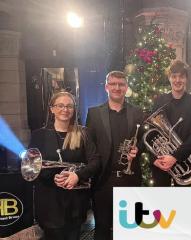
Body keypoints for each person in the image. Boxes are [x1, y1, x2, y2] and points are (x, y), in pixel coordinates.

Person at [29, 91, 101, 240]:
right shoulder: (39, 135)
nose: (65, 109)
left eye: (69, 106)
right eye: (60, 105)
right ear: (52, 109)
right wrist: (53, 177)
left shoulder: (83, 133)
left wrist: (77, 175)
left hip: (75, 202)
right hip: (49, 202)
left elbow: (95, 161)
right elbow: (31, 165)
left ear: (74, 109)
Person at [86, 71, 144, 240]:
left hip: (130, 179)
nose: (117, 88)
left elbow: (143, 141)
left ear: (126, 87)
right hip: (103, 180)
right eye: (113, 84)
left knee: (129, 230)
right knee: (102, 229)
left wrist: (138, 149)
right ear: (106, 87)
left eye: (121, 84)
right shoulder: (94, 114)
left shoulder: (137, 112)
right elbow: (90, 146)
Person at [149, 60, 191, 186]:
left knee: (181, 204)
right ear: (169, 78)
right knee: (161, 204)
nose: (177, 80)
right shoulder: (160, 101)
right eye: (174, 76)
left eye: (181, 76)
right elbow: (151, 133)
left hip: (184, 162)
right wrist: (154, 159)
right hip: (161, 163)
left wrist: (174, 157)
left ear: (186, 79)